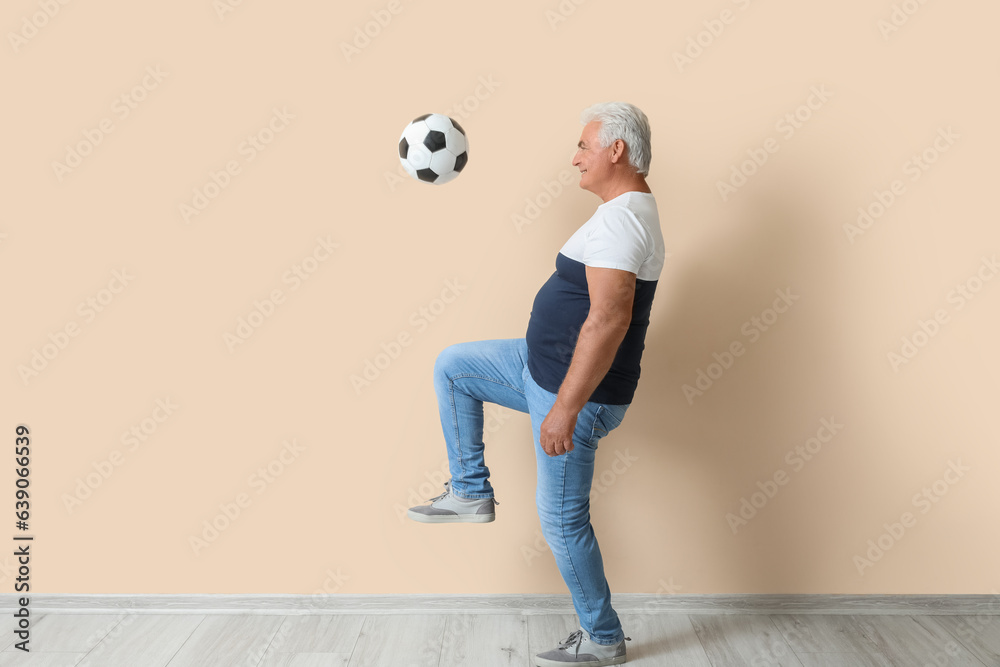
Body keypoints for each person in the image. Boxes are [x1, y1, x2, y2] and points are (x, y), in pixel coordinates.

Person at [408, 101, 665, 666]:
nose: (575, 158)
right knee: (455, 367)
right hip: (538, 366)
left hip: (575, 391)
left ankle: (603, 637)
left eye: (583, 146)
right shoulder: (620, 211)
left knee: (562, 520)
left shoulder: (624, 220)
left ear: (614, 150)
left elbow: (609, 319)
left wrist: (565, 410)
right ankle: (470, 491)